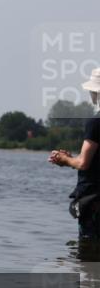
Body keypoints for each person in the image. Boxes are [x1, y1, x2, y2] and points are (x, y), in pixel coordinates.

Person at [49, 68, 100, 238]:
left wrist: (64, 160)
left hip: (94, 198)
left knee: (89, 252)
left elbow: (84, 163)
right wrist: (72, 159)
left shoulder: (95, 123)